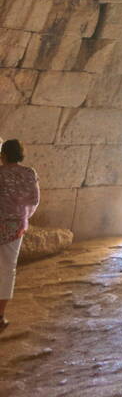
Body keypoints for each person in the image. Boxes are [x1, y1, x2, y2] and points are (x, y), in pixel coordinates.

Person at [0, 139, 40, 331]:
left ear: (3, 155)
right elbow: (34, 200)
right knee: (8, 270)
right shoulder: (29, 173)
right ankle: (0, 316)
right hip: (15, 228)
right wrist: (23, 218)